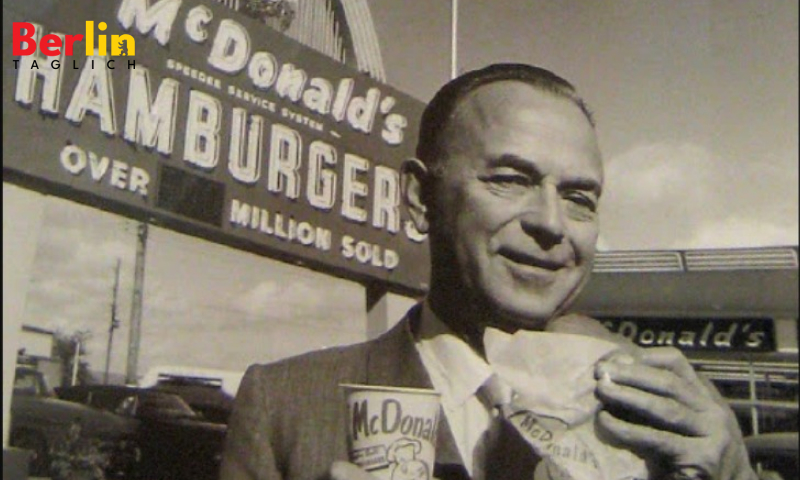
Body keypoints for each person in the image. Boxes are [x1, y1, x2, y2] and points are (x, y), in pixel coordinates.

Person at [219, 63, 757, 480]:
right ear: (420, 198)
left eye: (579, 198)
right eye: (510, 179)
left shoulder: (668, 418)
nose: (552, 223)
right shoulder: (283, 405)